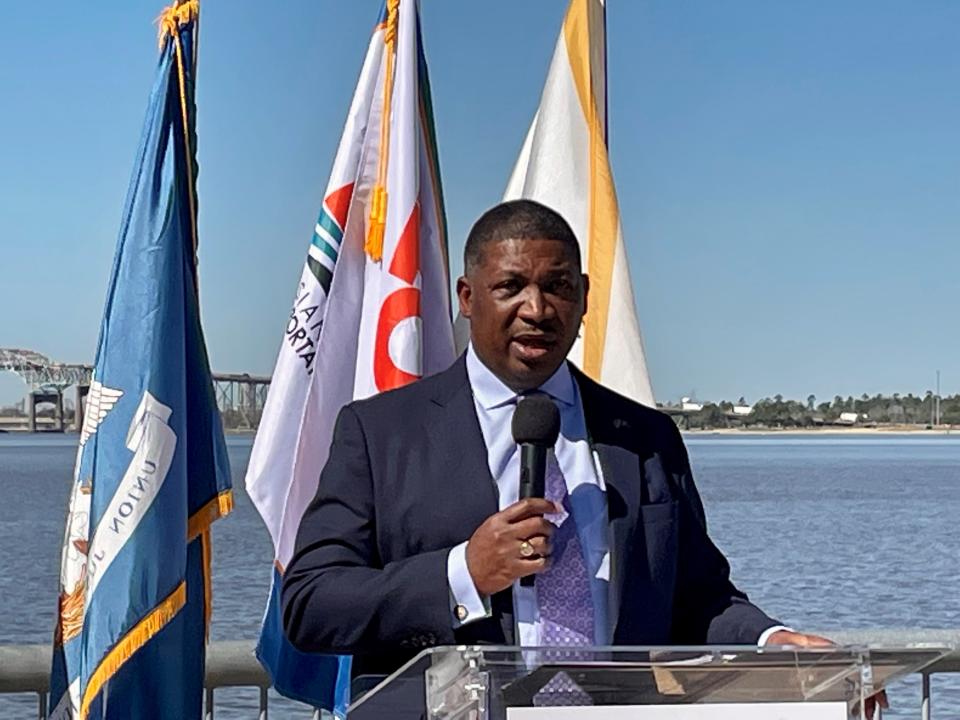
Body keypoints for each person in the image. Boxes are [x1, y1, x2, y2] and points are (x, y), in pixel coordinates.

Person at [282, 199, 883, 713]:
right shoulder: (381, 433)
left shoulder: (646, 437)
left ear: (585, 299)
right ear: (468, 297)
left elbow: (698, 598)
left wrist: (771, 642)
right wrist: (462, 572)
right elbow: (311, 604)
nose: (538, 309)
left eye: (558, 287)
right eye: (511, 286)